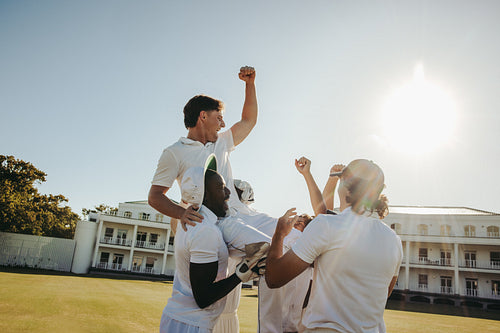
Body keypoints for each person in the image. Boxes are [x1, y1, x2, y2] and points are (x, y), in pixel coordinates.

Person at [149, 66, 286, 332]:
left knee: (287, 242)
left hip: (240, 216)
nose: (223, 123)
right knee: (212, 299)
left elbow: (249, 120)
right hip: (211, 226)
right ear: (203, 116)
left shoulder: (221, 143)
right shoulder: (174, 152)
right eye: (219, 117)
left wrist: (250, 84)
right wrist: (180, 214)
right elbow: (155, 196)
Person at [266, 159, 403, 333]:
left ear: (344, 184)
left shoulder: (327, 226)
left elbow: (274, 277)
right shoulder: (394, 240)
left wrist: (278, 234)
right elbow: (386, 293)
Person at [160, 162, 268, 333]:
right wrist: (241, 273)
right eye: (221, 188)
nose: (228, 193)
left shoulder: (190, 221)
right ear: (205, 195)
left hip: (181, 319)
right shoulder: (205, 231)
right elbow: (203, 297)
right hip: (192, 324)